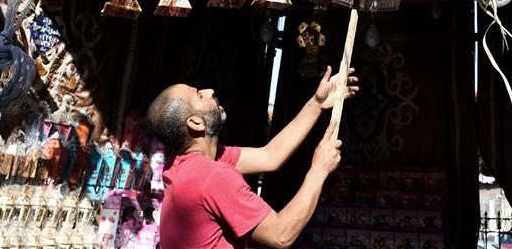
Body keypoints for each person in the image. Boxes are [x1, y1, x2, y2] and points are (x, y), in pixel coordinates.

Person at [146, 65, 359, 249]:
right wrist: (319, 170)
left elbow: (270, 156)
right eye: (199, 95)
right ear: (196, 123)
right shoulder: (213, 176)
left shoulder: (182, 164)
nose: (210, 91)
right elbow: (280, 235)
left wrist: (317, 103)